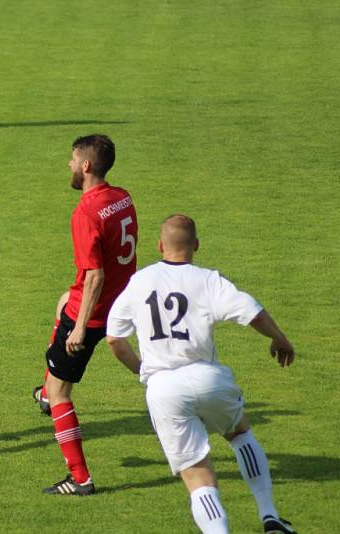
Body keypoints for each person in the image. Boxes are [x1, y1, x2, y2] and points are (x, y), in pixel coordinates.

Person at [105, 214, 296, 534]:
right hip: (208, 378)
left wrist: (145, 372)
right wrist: (280, 338)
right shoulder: (207, 279)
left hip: (163, 389)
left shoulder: (139, 281)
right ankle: (269, 515)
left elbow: (114, 339)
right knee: (240, 434)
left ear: (160, 246)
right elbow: (251, 310)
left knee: (196, 473)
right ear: (196, 245)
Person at [41, 134, 138, 496]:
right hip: (121, 301)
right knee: (64, 298)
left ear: (85, 166)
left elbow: (95, 275)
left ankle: (80, 478)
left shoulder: (85, 212)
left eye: (71, 159)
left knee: (60, 393)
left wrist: (80, 328)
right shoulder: (122, 196)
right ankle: (45, 388)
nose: (68, 165)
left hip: (94, 312)